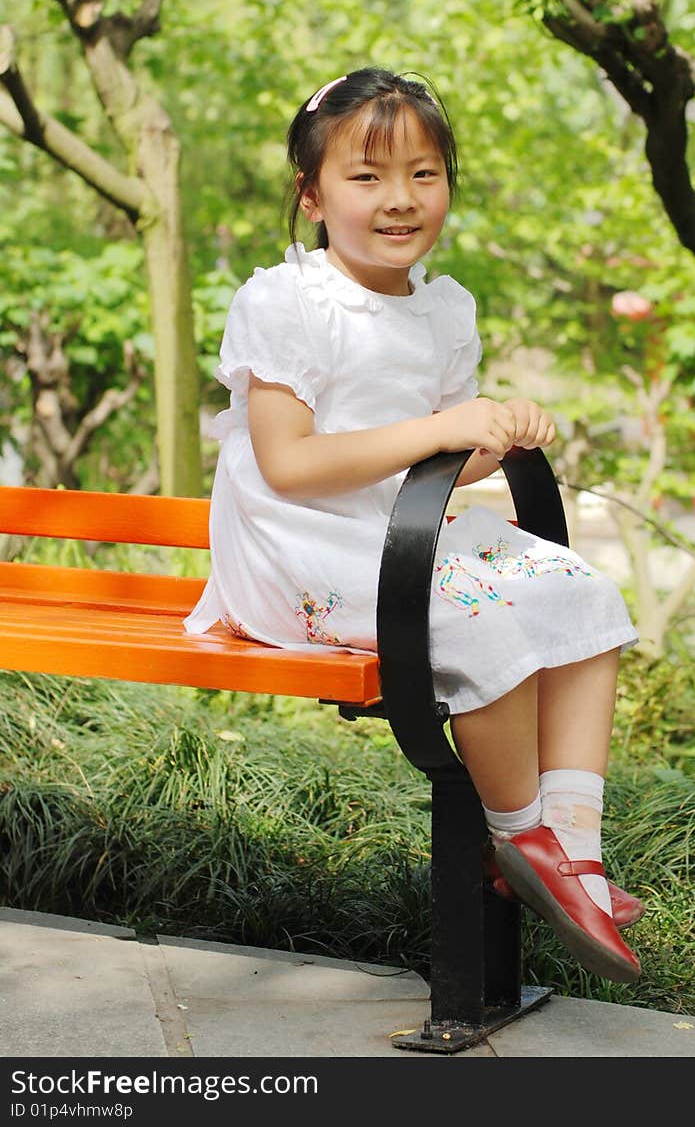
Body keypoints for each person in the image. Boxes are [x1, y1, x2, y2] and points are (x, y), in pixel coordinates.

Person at [184, 66, 642, 984]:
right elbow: (290, 462)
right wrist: (443, 429)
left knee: (587, 595)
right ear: (312, 196)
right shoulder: (287, 301)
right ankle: (517, 840)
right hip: (297, 545)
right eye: (367, 177)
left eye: (424, 174)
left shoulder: (444, 307)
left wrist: (493, 432)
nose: (400, 200)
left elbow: (439, 462)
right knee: (492, 622)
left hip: (397, 532)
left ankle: (576, 850)